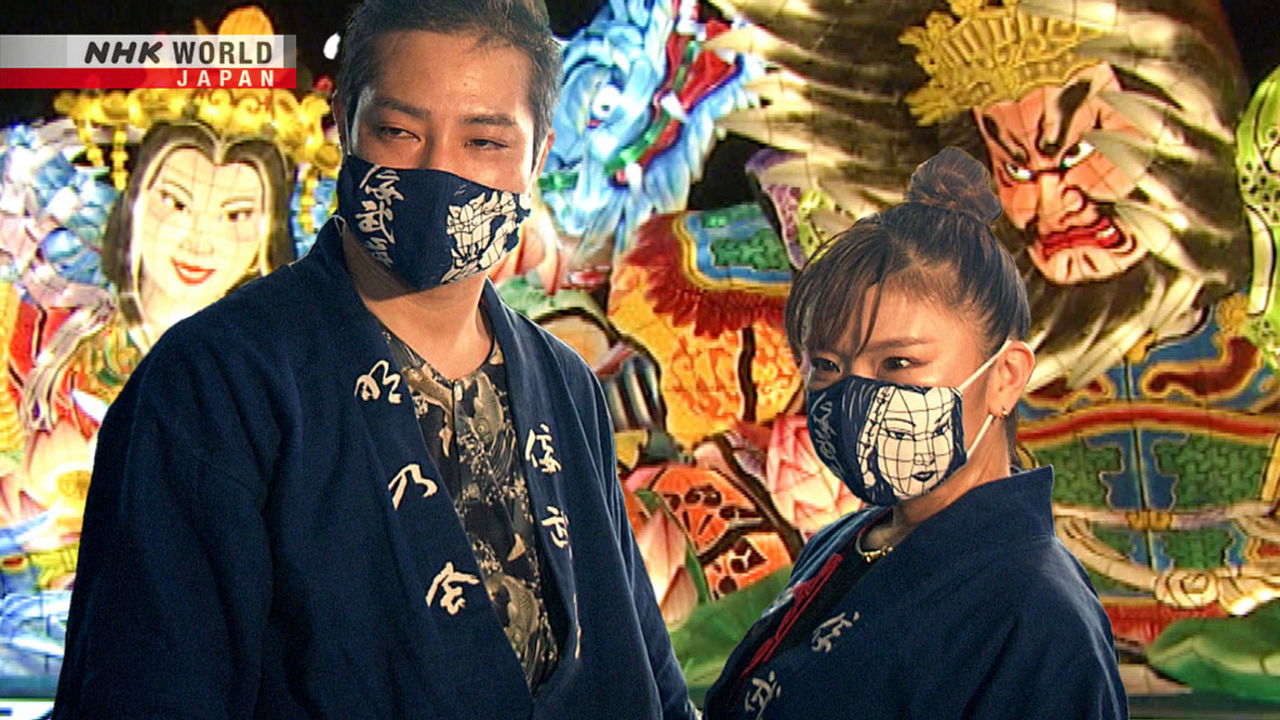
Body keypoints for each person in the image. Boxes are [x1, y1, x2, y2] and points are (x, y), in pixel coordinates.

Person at [53, 0, 694, 716]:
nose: (439, 170)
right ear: (344, 128)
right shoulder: (216, 380)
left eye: (484, 141)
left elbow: (645, 667)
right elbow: (148, 688)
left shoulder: (566, 383)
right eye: (399, 132)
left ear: (538, 156)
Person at [702, 147, 1127, 719]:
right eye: (827, 365)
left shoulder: (1036, 612)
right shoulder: (847, 541)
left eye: (897, 364)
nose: (853, 399)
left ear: (1005, 377)